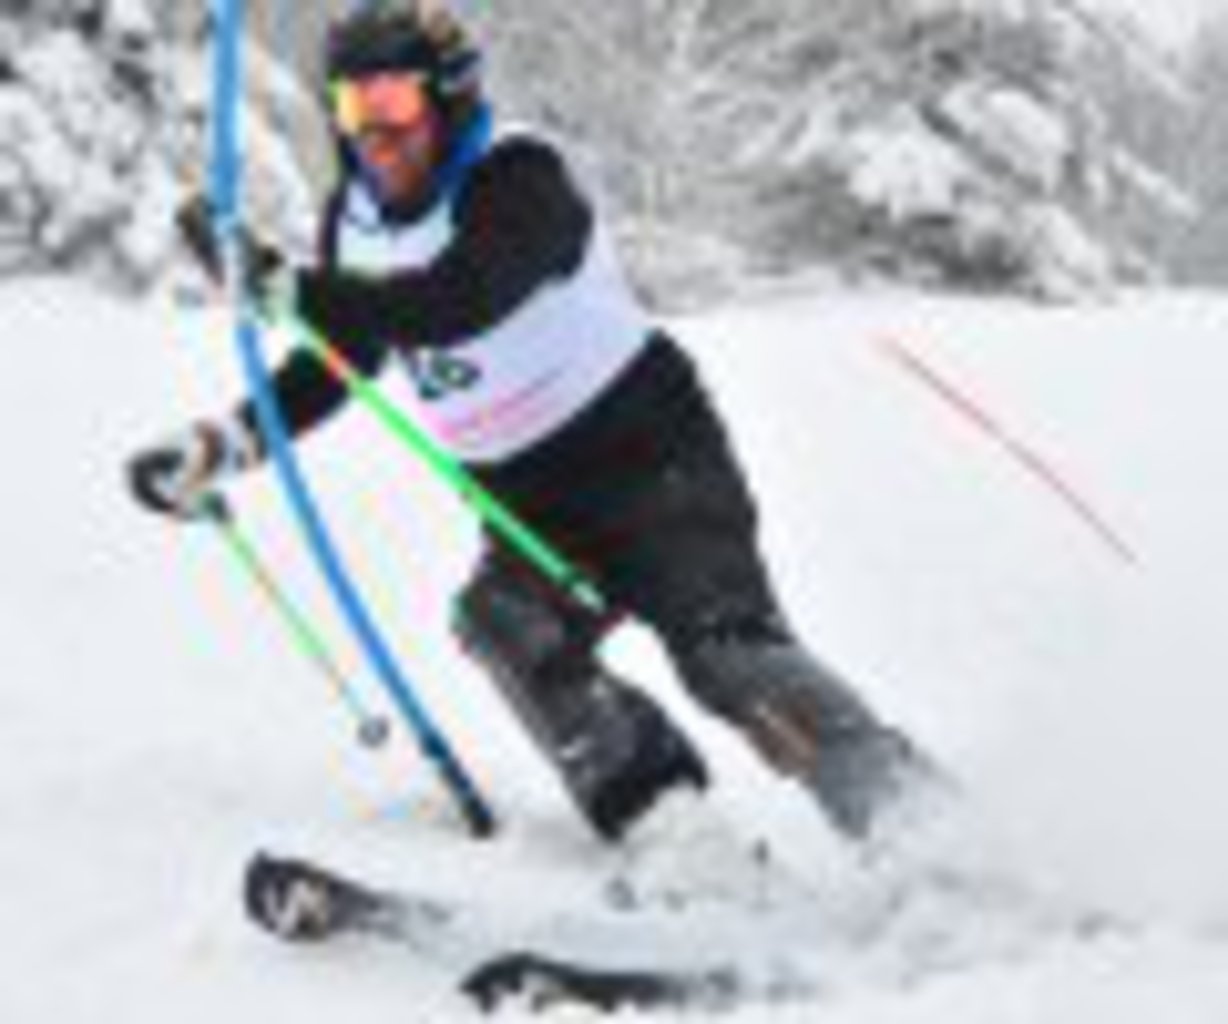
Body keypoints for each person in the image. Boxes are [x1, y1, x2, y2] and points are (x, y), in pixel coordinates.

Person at [126, 0, 935, 845]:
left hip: (649, 459)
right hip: (527, 501)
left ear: (447, 96)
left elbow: (459, 300)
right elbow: (345, 355)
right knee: (504, 625)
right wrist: (225, 443)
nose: (375, 134)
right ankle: (668, 827)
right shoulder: (352, 222)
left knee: (724, 655)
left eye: (393, 103)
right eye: (352, 106)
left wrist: (288, 288)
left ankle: (911, 822)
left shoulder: (519, 176)